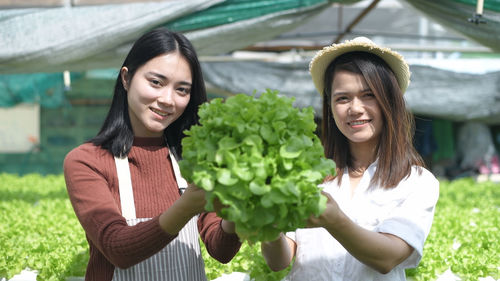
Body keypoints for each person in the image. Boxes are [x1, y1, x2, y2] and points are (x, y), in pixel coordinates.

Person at [63, 27, 241, 281]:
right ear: (126, 78)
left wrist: (236, 210)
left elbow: (220, 250)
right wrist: (187, 205)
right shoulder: (87, 161)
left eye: (182, 90)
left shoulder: (193, 157)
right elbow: (117, 248)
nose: (168, 99)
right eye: (156, 82)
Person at [261, 37, 439, 281]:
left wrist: (335, 221)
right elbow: (279, 261)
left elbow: (387, 258)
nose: (355, 108)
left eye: (368, 95)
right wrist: (267, 226)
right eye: (342, 98)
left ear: (390, 102)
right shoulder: (306, 173)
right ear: (330, 107)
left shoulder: (416, 182)